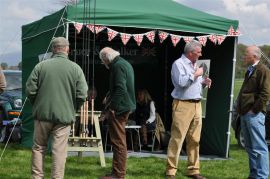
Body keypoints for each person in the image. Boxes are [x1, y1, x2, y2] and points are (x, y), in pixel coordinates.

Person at [25, 37, 88, 179]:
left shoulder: (41, 66)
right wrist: (73, 108)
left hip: (42, 115)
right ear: (67, 49)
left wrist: (37, 104)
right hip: (64, 116)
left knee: (39, 148)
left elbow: (30, 90)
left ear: (53, 49)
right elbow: (82, 94)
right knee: (59, 151)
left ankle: (37, 177)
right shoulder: (76, 68)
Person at [165, 40, 211, 179]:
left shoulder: (194, 64)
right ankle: (171, 171)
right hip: (183, 105)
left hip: (197, 104)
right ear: (191, 53)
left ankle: (193, 170)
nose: (200, 54)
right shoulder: (178, 64)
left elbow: (193, 86)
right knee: (177, 138)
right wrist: (196, 75)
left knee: (195, 139)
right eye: (198, 52)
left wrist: (203, 83)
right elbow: (181, 83)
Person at [99, 47, 136, 179]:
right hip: (124, 106)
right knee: (119, 141)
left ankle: (118, 174)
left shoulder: (117, 66)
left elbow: (120, 89)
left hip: (119, 108)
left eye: (103, 61)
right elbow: (118, 87)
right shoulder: (124, 63)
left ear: (106, 58)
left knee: (118, 142)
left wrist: (113, 107)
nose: (104, 64)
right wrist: (109, 96)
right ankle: (116, 172)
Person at [237, 45, 270, 179]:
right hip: (245, 114)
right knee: (250, 147)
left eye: (246, 53)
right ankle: (254, 174)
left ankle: (261, 176)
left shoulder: (263, 70)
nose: (244, 56)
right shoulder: (250, 70)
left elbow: (265, 93)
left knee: (259, 147)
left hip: (254, 115)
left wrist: (254, 110)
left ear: (255, 56)